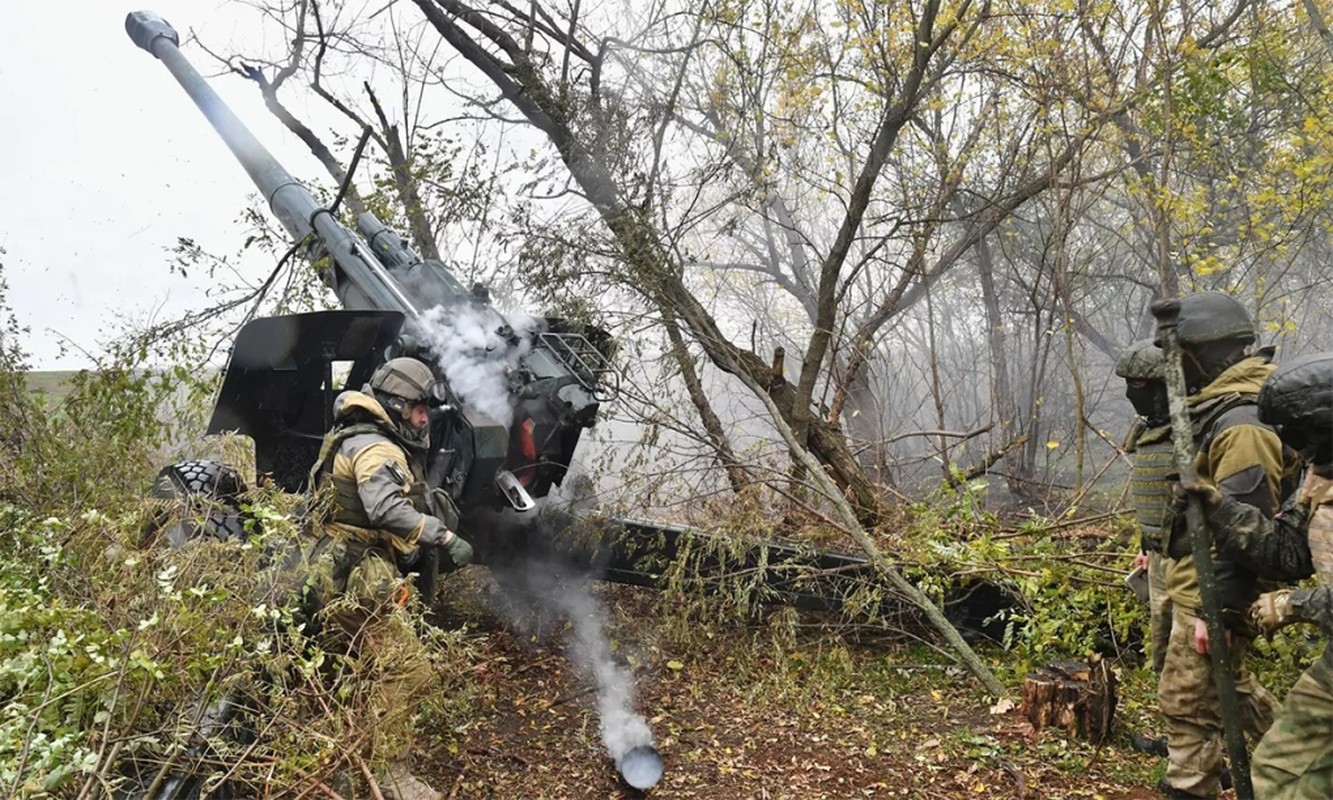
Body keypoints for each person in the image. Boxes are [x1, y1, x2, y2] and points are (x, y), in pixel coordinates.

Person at [307, 356, 474, 800]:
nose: (425, 417)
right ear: (397, 405)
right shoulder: (377, 448)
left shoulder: (358, 434)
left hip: (335, 567)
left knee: (358, 671)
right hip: (354, 572)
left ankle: (347, 764)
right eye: (420, 408)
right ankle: (391, 775)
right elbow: (384, 508)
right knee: (407, 670)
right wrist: (443, 535)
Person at [1154, 292, 1300, 800]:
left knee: (1187, 705)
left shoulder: (1242, 423)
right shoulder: (1220, 411)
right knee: (1224, 689)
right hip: (1199, 582)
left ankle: (1189, 786)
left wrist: (1216, 608)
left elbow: (1250, 529)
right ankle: (1299, 756)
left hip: (1213, 589)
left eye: (1181, 357)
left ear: (1205, 353)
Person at [1180, 351, 1333, 798]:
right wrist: (1220, 510)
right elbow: (1288, 552)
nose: (1296, 446)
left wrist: (1293, 605)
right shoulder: (1318, 475)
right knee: (1282, 769)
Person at [1114, 339, 1174, 756]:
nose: (1131, 391)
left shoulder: (1197, 427)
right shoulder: (1151, 427)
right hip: (1161, 554)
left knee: (1196, 661)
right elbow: (1154, 494)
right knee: (1165, 649)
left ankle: (1203, 750)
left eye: (1138, 382)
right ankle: (1181, 740)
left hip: (1194, 559)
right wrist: (1146, 544)